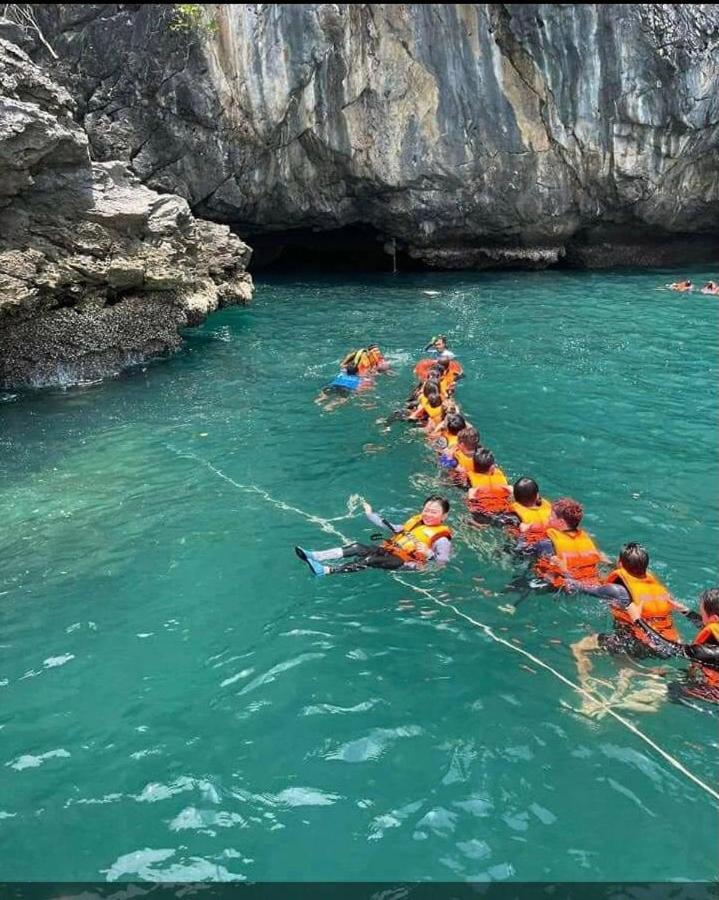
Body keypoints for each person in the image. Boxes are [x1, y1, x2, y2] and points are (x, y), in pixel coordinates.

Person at [570, 542, 696, 663]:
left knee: (579, 647)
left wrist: (565, 575)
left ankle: (585, 680)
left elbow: (582, 589)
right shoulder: (658, 588)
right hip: (670, 645)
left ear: (620, 563)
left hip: (641, 645)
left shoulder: (616, 590)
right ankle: (637, 671)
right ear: (645, 566)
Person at [295, 496, 453, 575]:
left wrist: (428, 553)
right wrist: (370, 514)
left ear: (444, 516)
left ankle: (326, 571)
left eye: (434, 512)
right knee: (357, 547)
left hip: (406, 562)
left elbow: (442, 563)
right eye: (426, 510)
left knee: (370, 560)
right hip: (391, 551)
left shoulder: (442, 539)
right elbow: (392, 527)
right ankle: (315, 556)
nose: (428, 514)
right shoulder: (416, 523)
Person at [625, 587, 719, 705]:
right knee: (663, 671)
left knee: (669, 689)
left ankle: (632, 706)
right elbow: (707, 625)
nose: (701, 616)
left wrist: (637, 620)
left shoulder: (707, 652)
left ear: (714, 618)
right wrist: (685, 610)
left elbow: (667, 647)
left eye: (702, 613)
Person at [528, 497, 606, 590]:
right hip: (593, 583)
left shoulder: (546, 544)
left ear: (561, 522)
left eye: (552, 516)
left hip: (563, 586)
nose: (548, 518)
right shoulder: (586, 540)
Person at [504, 476, 552, 545]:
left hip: (531, 544)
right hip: (551, 541)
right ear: (537, 495)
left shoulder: (515, 515)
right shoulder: (548, 507)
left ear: (515, 497)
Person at [466, 448, 511, 520]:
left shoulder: (471, 480)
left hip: (482, 510)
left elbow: (471, 499)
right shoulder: (500, 476)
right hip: (503, 511)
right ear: (492, 467)